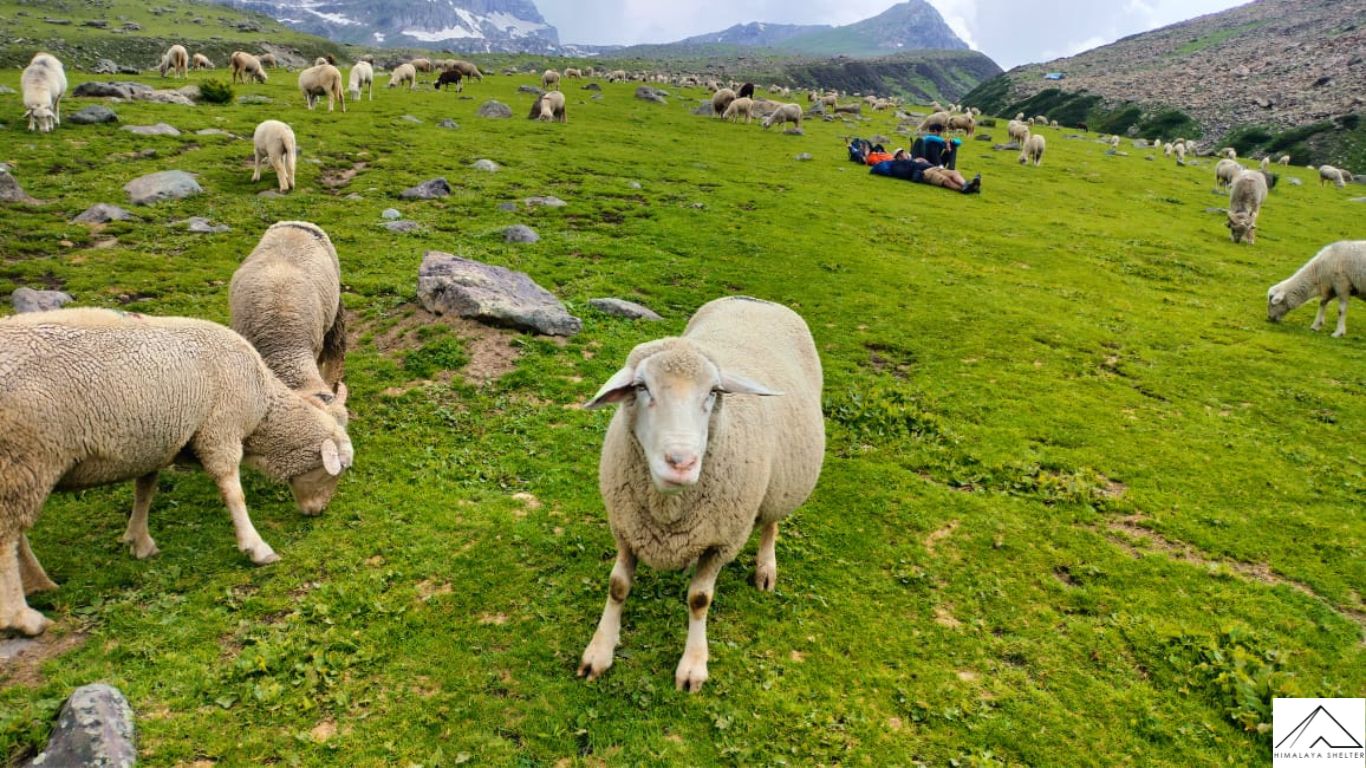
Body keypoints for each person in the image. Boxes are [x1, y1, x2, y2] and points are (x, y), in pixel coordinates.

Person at [871, 148, 981, 194]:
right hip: (926, 173)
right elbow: (907, 174)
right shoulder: (897, 165)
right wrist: (917, 171)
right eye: (899, 154)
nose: (902, 154)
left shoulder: (912, 159)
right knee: (945, 180)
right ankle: (964, 189)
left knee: (954, 173)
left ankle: (966, 184)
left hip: (932, 167)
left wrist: (920, 160)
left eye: (902, 152)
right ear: (896, 157)